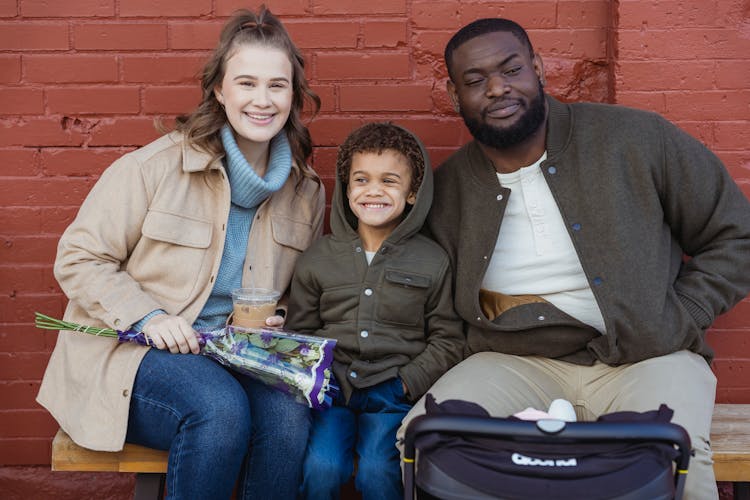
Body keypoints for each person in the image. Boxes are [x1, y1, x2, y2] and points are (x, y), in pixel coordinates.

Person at [395, 18, 750, 500]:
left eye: (511, 69)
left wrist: (684, 314)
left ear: (538, 68)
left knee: (676, 457)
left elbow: (737, 235)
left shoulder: (636, 139)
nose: (497, 88)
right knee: (426, 437)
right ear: (457, 98)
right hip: (514, 361)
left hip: (648, 357)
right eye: (475, 81)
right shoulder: (451, 188)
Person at [36, 7, 325, 499]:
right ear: (219, 90)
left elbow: (305, 290)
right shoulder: (154, 168)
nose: (262, 100)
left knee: (288, 412)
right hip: (132, 353)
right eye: (246, 83)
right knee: (218, 407)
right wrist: (147, 315)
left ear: (293, 95)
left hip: (236, 355)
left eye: (277, 85)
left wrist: (277, 320)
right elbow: (79, 257)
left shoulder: (306, 191)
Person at [286, 122, 464, 500]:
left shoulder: (432, 261)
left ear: (413, 192)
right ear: (347, 187)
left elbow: (448, 339)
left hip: (393, 395)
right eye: (361, 180)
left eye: (389, 181)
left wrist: (405, 382)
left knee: (378, 471)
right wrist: (318, 377)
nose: (373, 192)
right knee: (322, 467)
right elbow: (299, 331)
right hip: (332, 393)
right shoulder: (318, 258)